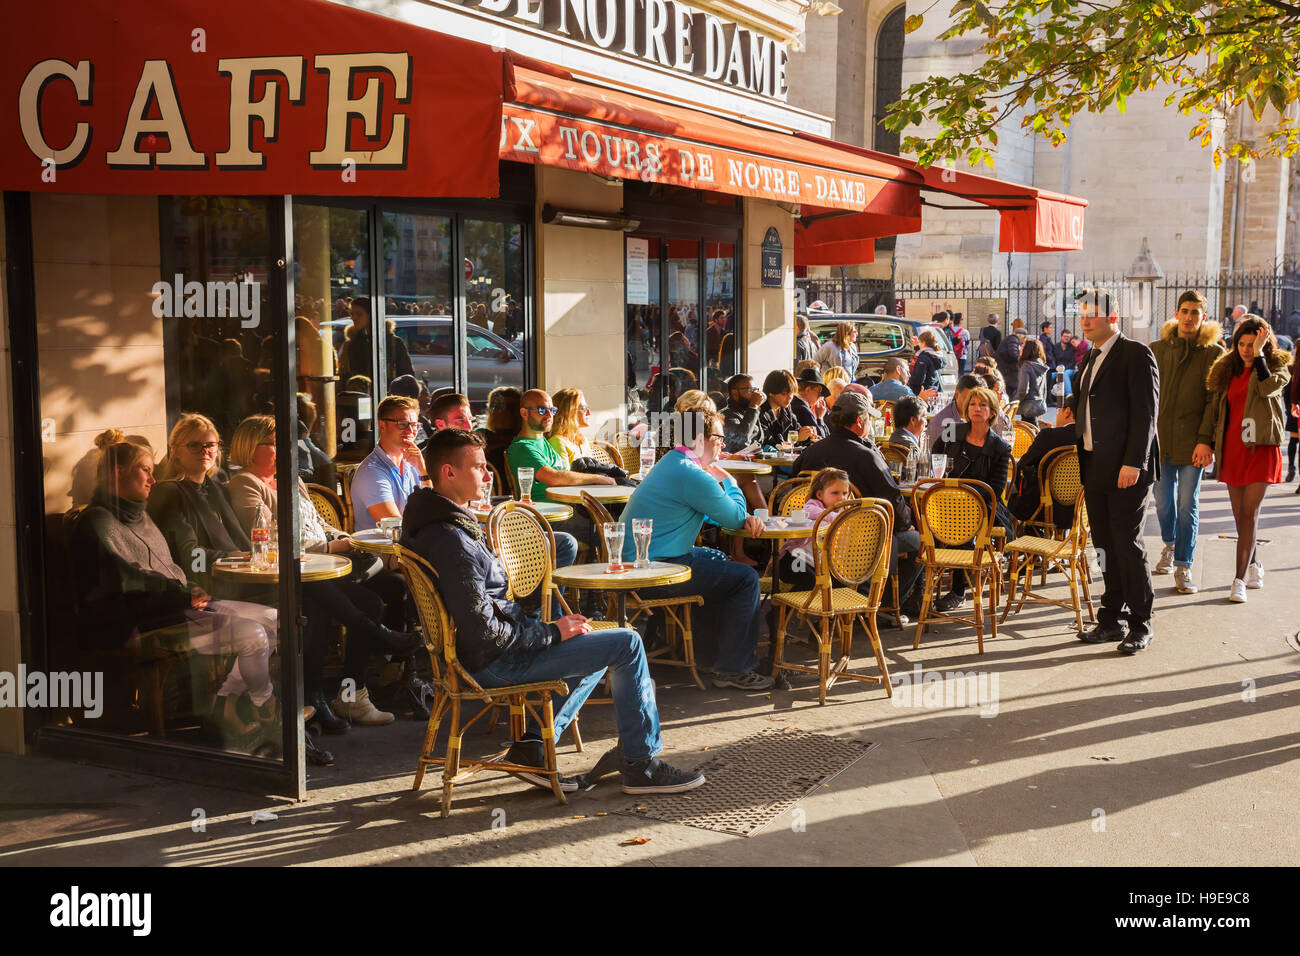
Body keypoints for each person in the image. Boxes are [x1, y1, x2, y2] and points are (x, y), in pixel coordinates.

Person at [403, 429, 705, 794]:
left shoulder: (439, 522)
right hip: (491, 663)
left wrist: (550, 628)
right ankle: (641, 765)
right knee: (627, 642)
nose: (488, 475)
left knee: (589, 632)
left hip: (479, 654)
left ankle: (532, 749)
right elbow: (482, 631)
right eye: (480, 467)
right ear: (448, 473)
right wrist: (550, 633)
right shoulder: (451, 538)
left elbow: (484, 615)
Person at [73, 435, 280, 753]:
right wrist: (182, 596)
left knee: (275, 619)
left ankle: (224, 704)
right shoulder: (98, 521)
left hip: (175, 606)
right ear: (117, 472)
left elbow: (165, 569)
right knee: (253, 634)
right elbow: (127, 587)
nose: (153, 478)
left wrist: (188, 589)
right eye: (144, 470)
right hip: (144, 622)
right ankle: (266, 711)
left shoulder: (139, 514)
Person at [225, 415, 422, 727]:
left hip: (321, 569)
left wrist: (342, 537)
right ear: (251, 448)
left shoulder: (292, 480)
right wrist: (334, 548)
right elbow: (268, 539)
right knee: (323, 605)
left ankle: (347, 696)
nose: (286, 450)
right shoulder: (244, 485)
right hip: (285, 577)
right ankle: (321, 694)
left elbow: (317, 524)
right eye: (277, 444)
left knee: (375, 596)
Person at [617, 409, 773, 689]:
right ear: (701, 439)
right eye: (719, 438)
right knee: (746, 578)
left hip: (637, 566)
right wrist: (729, 480)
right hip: (654, 572)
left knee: (718, 560)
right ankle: (733, 668)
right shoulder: (692, 475)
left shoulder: (673, 462)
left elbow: (708, 512)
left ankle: (708, 653)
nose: (723, 445)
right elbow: (735, 517)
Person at [1072, 288, 1160, 653]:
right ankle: (1111, 617)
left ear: (1114, 315)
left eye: (1092, 313)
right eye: (1082, 314)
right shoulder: (1090, 357)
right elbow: (1090, 400)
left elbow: (1146, 414)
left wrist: (1133, 462)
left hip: (1127, 469)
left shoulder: (1136, 354)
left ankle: (1141, 622)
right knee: (1104, 544)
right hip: (1094, 465)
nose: (1086, 320)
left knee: (1127, 543)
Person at [792, 390, 924, 618]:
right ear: (860, 421)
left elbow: (795, 493)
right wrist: (907, 524)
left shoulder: (810, 452)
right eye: (869, 419)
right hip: (859, 541)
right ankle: (885, 605)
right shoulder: (866, 456)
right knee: (919, 542)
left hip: (814, 541)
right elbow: (892, 499)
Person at [1205, 316, 1292, 602]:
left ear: (1264, 343)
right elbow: (1217, 412)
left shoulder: (1277, 367)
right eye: (1242, 344)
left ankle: (1238, 579)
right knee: (1239, 516)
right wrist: (1209, 444)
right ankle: (1254, 564)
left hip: (1261, 448)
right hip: (1232, 448)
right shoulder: (1225, 371)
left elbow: (1268, 389)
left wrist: (1259, 356)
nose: (1245, 349)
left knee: (1249, 514)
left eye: (1252, 344)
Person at [1149, 290, 1226, 594]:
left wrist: (1206, 441)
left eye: (1196, 312)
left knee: (1187, 503)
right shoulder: (1156, 349)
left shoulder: (1213, 353)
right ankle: (1169, 544)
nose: (1190, 317)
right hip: (1160, 441)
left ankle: (1184, 564)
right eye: (1185, 311)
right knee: (1163, 501)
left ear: (1202, 316)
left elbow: (1214, 401)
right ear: (1177, 314)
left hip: (1195, 442)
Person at [929, 386, 1014, 611]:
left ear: (992, 410)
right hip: (946, 500)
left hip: (984, 506)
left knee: (965, 518)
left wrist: (965, 498)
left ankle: (958, 590)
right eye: (973, 404)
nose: (977, 409)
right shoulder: (953, 431)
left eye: (982, 405)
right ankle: (921, 589)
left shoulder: (1000, 447)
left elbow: (995, 489)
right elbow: (935, 457)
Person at [505, 389, 616, 503]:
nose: (549, 415)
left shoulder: (543, 441)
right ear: (524, 413)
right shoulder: (522, 447)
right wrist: (599, 479)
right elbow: (554, 477)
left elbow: (565, 475)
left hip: (572, 506)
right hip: (549, 514)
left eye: (552, 410)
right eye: (542, 410)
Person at [348, 395, 430, 532]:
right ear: (382, 425)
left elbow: (435, 506)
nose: (411, 431)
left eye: (415, 425)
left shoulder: (413, 463)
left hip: (413, 544)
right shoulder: (371, 472)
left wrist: (423, 471)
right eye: (402, 424)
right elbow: (395, 528)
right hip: (381, 550)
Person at [1008, 396, 1079, 527]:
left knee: (1007, 488)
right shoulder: (1092, 441)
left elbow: (1021, 466)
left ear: (1067, 411)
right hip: (1078, 512)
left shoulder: (1048, 436)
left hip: (1042, 510)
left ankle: (1011, 538)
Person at [777, 468, 852, 591]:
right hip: (793, 560)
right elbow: (807, 510)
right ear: (820, 495)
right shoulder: (813, 506)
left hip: (817, 563)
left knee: (841, 584)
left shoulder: (843, 512)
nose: (841, 498)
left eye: (845, 493)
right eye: (835, 493)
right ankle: (786, 609)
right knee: (811, 582)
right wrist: (833, 517)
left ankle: (822, 609)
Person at [337, 298, 414, 388]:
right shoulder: (350, 344)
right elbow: (343, 377)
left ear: (371, 315)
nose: (354, 318)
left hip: (387, 397)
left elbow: (407, 376)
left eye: (359, 314)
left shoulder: (394, 342)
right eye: (352, 314)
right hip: (358, 398)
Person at [756, 370, 818, 448]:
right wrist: (796, 439)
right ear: (771, 393)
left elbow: (796, 430)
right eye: (784, 394)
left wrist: (808, 435)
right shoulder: (760, 412)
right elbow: (768, 444)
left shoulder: (786, 410)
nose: (790, 398)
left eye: (791, 393)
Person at [476, 386, 522, 480]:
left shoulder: (524, 440)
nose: (497, 411)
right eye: (494, 406)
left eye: (505, 406)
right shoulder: (482, 435)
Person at [547, 387, 597, 467]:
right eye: (584, 408)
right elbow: (565, 477)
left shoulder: (582, 439)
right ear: (569, 412)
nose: (588, 412)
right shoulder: (557, 442)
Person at [721, 373, 764, 452]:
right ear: (735, 393)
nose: (755, 394)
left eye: (755, 390)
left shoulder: (748, 411)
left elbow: (760, 439)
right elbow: (740, 443)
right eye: (750, 390)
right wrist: (753, 407)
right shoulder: (727, 415)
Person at [1015, 338, 1050, 424]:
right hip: (1038, 403)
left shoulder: (1026, 366)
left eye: (1022, 346)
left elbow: (1023, 390)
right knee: (1032, 426)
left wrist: (1015, 401)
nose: (1020, 348)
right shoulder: (1040, 363)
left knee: (1030, 431)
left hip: (1028, 405)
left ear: (1027, 349)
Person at [790, 368, 830, 440]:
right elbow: (821, 438)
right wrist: (820, 418)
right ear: (808, 390)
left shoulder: (792, 402)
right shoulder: (803, 409)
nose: (820, 398)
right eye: (819, 393)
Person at [908, 329, 945, 396]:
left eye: (920, 342)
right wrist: (916, 347)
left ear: (924, 342)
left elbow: (918, 379)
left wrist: (909, 381)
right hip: (933, 391)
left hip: (922, 393)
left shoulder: (923, 358)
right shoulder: (936, 355)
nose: (919, 344)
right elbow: (926, 354)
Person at [995, 323, 1022, 395]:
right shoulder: (1014, 339)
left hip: (1006, 368)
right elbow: (1013, 353)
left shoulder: (1011, 339)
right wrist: (1022, 360)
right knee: (1010, 390)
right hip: (1008, 369)